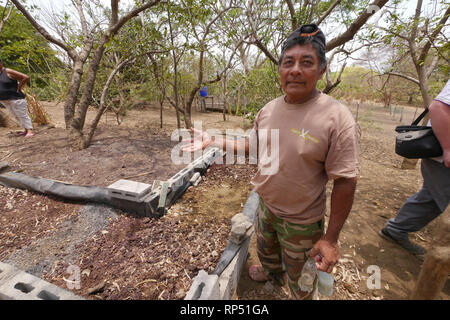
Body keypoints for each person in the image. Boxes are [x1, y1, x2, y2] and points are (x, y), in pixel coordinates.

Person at [182, 24, 360, 299]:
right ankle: (271, 273)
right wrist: (214, 140)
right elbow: (251, 147)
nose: (296, 70)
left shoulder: (336, 117)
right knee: (266, 250)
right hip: (265, 207)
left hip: (302, 221)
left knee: (301, 279)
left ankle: (298, 291)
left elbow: (346, 180)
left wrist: (331, 238)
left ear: (322, 70)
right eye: (288, 62)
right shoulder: (269, 110)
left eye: (307, 62)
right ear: (280, 69)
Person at [379, 80, 450, 259]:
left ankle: (396, 229)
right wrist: (448, 148)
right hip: (443, 158)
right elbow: (438, 108)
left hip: (440, 158)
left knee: (431, 198)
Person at [0, 58, 34, 137]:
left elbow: (25, 77)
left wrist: (19, 87)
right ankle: (25, 129)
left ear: (1, 63)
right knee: (15, 115)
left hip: (16, 98)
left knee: (22, 114)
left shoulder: (7, 71)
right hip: (4, 100)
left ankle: (30, 131)